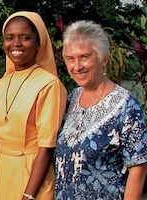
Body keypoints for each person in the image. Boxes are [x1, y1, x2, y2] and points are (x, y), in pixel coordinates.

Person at [54, 20, 147, 199]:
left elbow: (138, 169)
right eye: (70, 59)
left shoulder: (126, 106)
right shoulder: (71, 98)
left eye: (85, 57)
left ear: (103, 58)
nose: (77, 66)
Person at [0, 11, 67, 200]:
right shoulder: (3, 83)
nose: (16, 44)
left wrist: (29, 195)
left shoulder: (49, 84)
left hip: (31, 175)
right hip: (0, 174)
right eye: (9, 38)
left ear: (38, 43)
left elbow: (46, 147)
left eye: (25, 38)